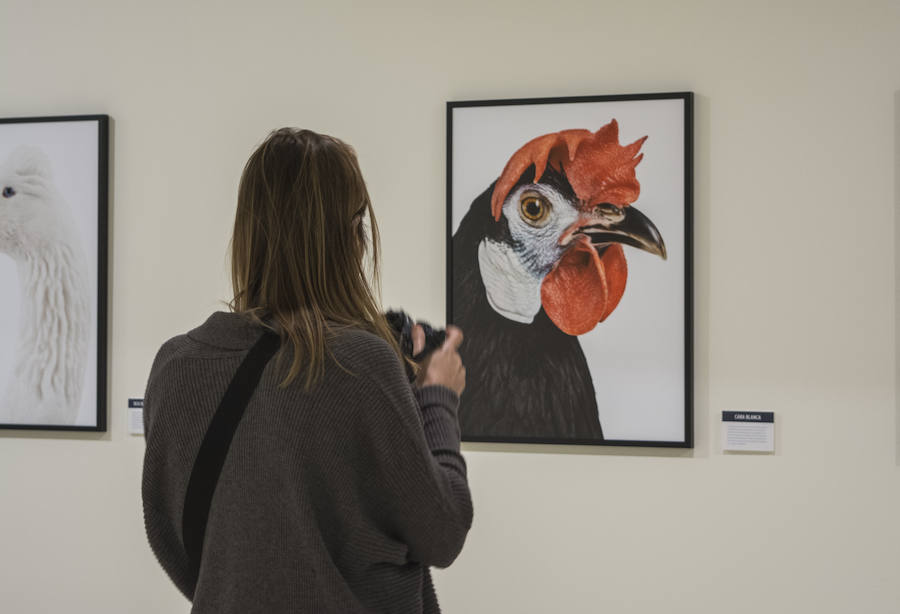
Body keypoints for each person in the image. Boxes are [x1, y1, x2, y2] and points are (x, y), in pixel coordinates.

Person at [141, 128, 472, 614]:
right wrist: (437, 397)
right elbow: (443, 530)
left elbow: (178, 545)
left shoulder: (176, 366)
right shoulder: (359, 362)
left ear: (248, 231)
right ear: (351, 236)